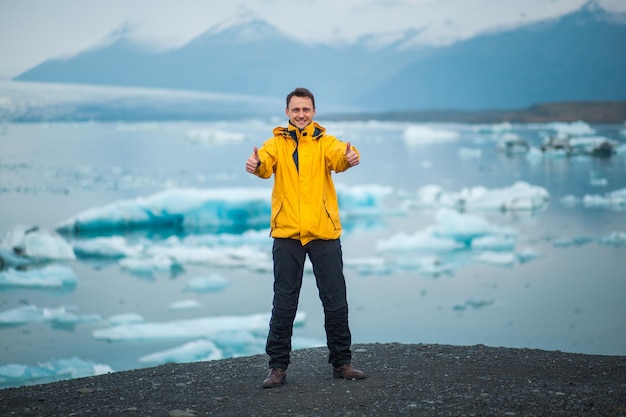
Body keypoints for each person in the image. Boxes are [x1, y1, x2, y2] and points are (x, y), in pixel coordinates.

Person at [245, 87, 366, 388]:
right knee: (284, 302)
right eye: (296, 110)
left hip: (323, 232)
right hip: (287, 233)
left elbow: (340, 156)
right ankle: (277, 368)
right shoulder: (275, 144)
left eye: (306, 110)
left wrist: (351, 157)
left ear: (313, 112)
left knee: (335, 300)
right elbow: (265, 164)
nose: (301, 115)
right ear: (287, 112)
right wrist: (256, 165)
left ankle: (342, 363)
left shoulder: (325, 142)